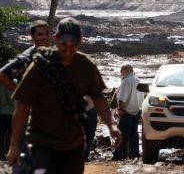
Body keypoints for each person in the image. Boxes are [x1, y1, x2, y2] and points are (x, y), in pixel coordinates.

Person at [6, 17, 121, 173]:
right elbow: (22, 107)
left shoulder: (86, 66)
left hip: (73, 146)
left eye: (72, 45)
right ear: (56, 39)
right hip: (43, 144)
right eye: (63, 45)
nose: (67, 50)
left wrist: (112, 125)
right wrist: (14, 145)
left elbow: (98, 98)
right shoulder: (42, 64)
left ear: (80, 41)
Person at [0, 20, 51, 173]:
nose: (44, 37)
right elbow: (2, 74)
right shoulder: (27, 57)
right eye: (40, 34)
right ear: (32, 37)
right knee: (22, 162)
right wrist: (20, 92)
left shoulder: (52, 55)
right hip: (26, 117)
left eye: (46, 34)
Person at [112, 65, 144, 160]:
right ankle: (135, 155)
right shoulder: (138, 80)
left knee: (121, 135)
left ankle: (117, 156)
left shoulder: (126, 81)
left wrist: (120, 109)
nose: (120, 74)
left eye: (121, 71)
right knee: (134, 135)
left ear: (125, 71)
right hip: (137, 112)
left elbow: (122, 98)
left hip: (126, 112)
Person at [0, 85, 15, 160]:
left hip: (2, 112)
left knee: (1, 134)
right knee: (11, 135)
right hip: (12, 112)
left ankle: (1, 154)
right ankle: (9, 153)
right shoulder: (13, 82)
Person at [83, 96, 98, 162]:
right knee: (89, 135)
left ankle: (84, 155)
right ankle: (84, 155)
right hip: (89, 110)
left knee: (89, 135)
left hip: (89, 110)